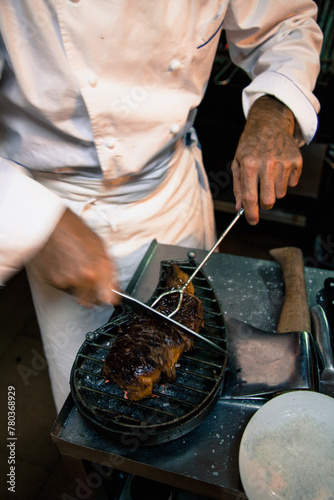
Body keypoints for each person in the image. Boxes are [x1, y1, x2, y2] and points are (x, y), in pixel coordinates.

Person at [0, 1, 323, 412]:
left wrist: (276, 109)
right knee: (90, 411)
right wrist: (30, 220)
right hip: (59, 207)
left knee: (202, 389)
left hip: (170, 192)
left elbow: (286, 22)